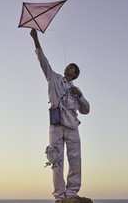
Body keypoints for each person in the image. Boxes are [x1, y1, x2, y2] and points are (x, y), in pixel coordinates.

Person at [30, 29, 91, 203]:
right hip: (56, 125)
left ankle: (71, 193)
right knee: (56, 160)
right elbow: (43, 61)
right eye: (67, 66)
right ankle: (59, 196)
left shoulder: (76, 90)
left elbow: (86, 110)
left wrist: (79, 95)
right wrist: (35, 40)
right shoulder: (54, 78)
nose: (67, 68)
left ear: (75, 74)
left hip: (72, 127)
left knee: (75, 160)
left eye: (71, 68)